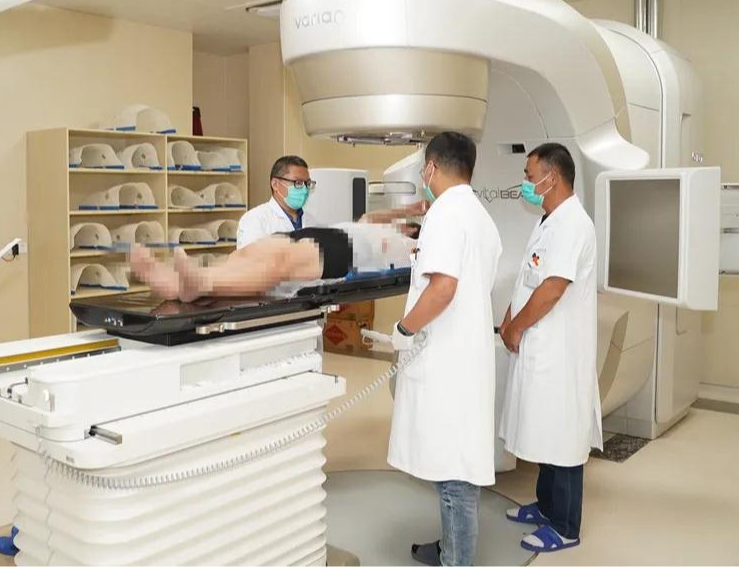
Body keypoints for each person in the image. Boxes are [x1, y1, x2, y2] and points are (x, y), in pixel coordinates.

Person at [389, 132, 502, 567]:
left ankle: (457, 559)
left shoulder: (446, 214)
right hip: (464, 357)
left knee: (454, 473)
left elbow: (442, 288)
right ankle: (450, 548)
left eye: (424, 168)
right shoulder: (479, 216)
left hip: (447, 361)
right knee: (455, 464)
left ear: (432, 167)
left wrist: (404, 328)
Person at [498, 143, 601, 554]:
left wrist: (517, 327)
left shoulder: (573, 224)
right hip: (539, 345)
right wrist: (508, 319)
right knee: (543, 428)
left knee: (562, 436)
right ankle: (545, 506)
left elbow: (553, 287)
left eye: (529, 175)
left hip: (561, 352)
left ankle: (565, 525)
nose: (524, 183)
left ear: (551, 177)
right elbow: (530, 276)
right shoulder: (548, 220)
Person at [131, 217, 422, 302]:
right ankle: (173, 284)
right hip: (325, 234)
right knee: (248, 253)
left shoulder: (408, 245)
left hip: (345, 253)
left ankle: (202, 283)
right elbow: (371, 217)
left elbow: (419, 256)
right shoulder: (375, 226)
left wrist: (415, 229)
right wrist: (405, 209)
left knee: (280, 262)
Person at [237, 155, 320, 248]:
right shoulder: (255, 219)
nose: (304, 190)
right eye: (298, 183)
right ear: (275, 184)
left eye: (307, 183)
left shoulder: (311, 220)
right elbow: (250, 256)